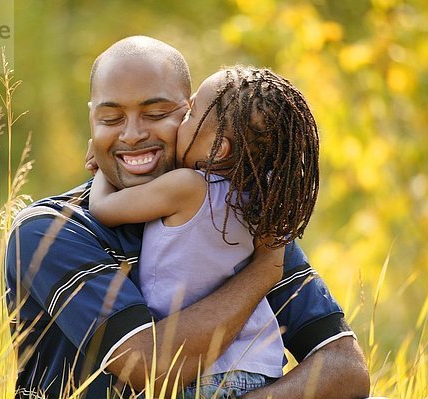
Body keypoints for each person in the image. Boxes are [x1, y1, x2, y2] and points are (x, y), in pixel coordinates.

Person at [5, 36, 370, 399]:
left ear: (191, 114)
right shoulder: (52, 230)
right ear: (91, 122)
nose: (132, 135)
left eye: (157, 114)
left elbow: (346, 369)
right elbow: (149, 368)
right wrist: (264, 268)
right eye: (111, 118)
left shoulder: (241, 217)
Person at [88, 65, 320, 398]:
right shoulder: (260, 199)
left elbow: (104, 210)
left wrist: (102, 163)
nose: (181, 122)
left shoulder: (187, 187)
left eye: (191, 113)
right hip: (260, 367)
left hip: (204, 373)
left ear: (219, 150)